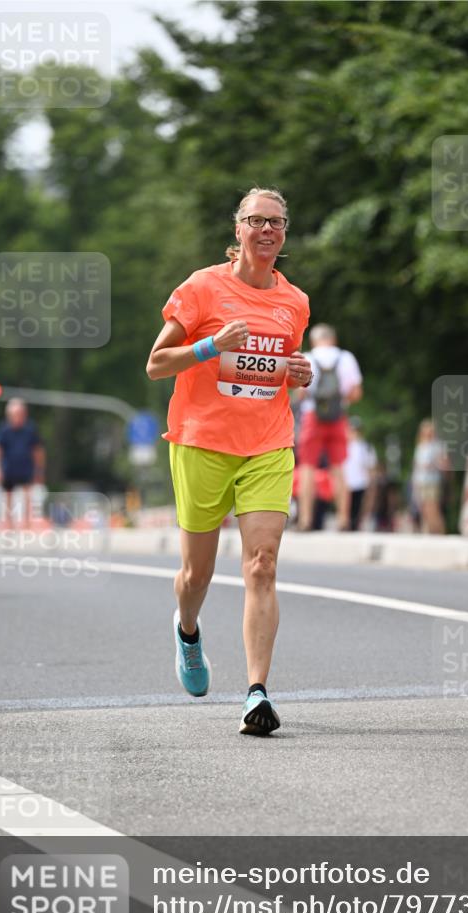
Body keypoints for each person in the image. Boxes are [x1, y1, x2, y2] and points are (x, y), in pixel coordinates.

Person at [146, 187, 312, 736]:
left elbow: (277, 370)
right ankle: (188, 629)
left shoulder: (295, 303)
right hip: (200, 441)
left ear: (284, 236)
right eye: (257, 220)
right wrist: (210, 345)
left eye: (277, 223)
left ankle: (256, 692)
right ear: (238, 229)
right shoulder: (202, 288)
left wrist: (297, 374)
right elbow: (156, 364)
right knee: (198, 572)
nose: (267, 231)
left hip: (267, 442)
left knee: (262, 564)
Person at [296, 323, 363, 530]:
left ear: (314, 340)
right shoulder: (346, 358)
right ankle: (344, 519)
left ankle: (305, 519)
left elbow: (300, 393)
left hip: (312, 416)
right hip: (337, 417)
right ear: (333, 339)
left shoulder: (307, 357)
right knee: (339, 467)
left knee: (307, 467)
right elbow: (356, 393)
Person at [0, 398, 45, 528]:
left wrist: (39, 470)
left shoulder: (30, 429)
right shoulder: (3, 430)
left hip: (25, 468)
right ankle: (9, 524)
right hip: (9, 469)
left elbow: (38, 451)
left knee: (27, 496)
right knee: (8, 497)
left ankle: (27, 523)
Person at [410, 418, 449, 534]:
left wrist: (434, 465)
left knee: (433, 510)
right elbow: (416, 467)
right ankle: (432, 533)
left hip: (432, 481)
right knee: (425, 510)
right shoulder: (420, 446)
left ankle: (441, 534)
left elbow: (444, 464)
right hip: (421, 481)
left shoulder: (437, 445)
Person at [344, 417, 377, 530]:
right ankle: (347, 524)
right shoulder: (343, 445)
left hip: (360, 482)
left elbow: (370, 465)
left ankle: (355, 525)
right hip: (346, 482)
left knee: (358, 507)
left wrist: (371, 483)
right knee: (347, 506)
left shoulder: (366, 447)